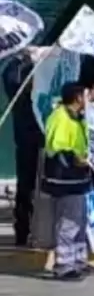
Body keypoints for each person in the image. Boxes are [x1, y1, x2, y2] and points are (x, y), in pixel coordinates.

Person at [42, 82, 94, 281]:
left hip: (78, 179)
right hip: (65, 179)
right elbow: (57, 148)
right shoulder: (60, 117)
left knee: (80, 221)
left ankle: (78, 260)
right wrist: (78, 159)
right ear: (77, 98)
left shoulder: (78, 117)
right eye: (86, 95)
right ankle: (64, 265)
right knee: (68, 223)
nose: (88, 99)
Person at [2, 52, 43, 247]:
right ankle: (23, 230)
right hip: (27, 134)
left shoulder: (49, 62)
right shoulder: (15, 68)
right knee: (26, 185)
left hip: (47, 133)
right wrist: (31, 69)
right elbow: (13, 85)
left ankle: (43, 230)